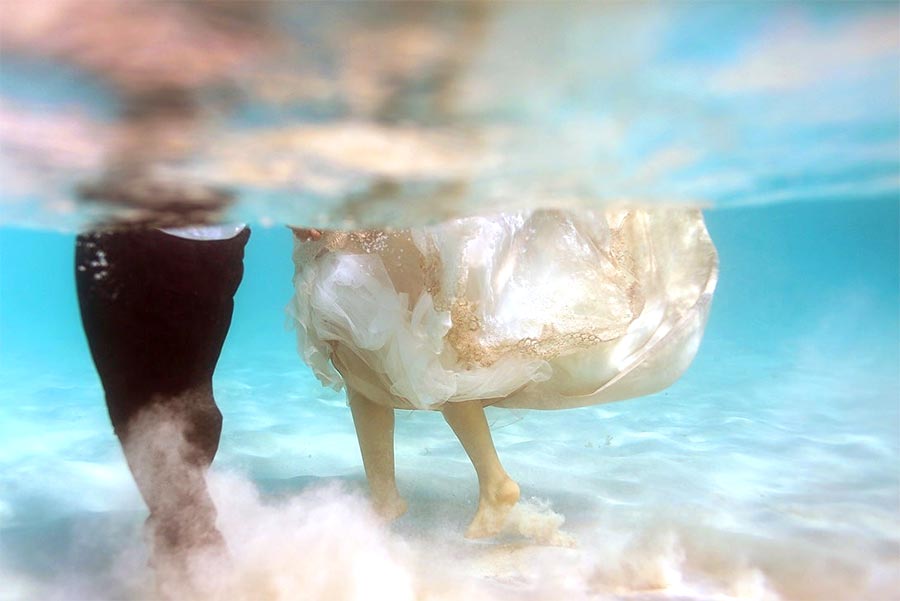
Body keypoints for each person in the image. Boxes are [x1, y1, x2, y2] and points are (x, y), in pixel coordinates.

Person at [287, 207, 718, 538]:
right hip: (380, 211)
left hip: (370, 216)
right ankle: (407, 494)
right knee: (402, 348)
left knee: (379, 344)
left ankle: (458, 487)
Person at [76, 223, 250, 587]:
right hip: (216, 241)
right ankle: (187, 546)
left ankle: (193, 558)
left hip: (133, 231)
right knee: (184, 398)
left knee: (142, 406)